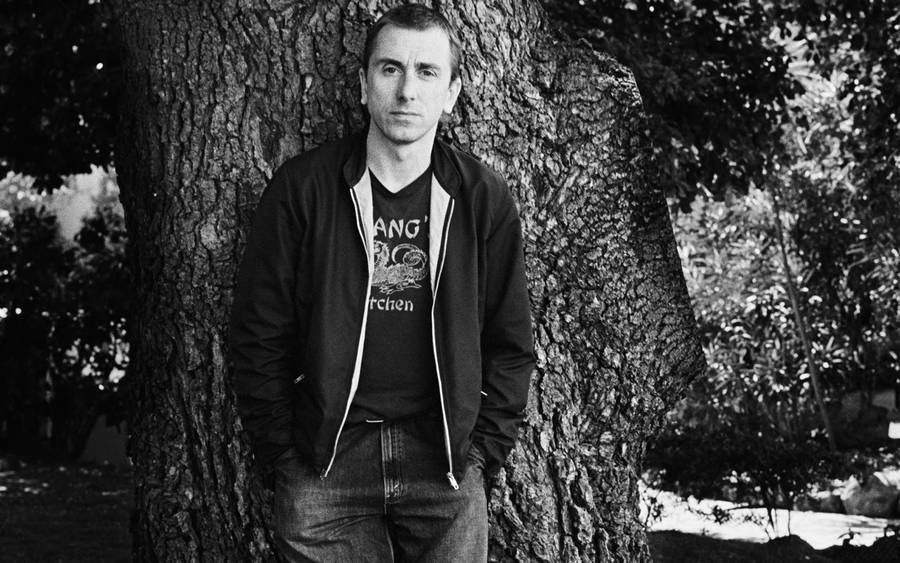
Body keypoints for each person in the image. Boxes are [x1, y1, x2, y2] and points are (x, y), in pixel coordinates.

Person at [230, 4, 534, 561]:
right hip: (326, 463)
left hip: (441, 465)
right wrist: (283, 450)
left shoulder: (481, 199)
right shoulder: (305, 190)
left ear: (452, 92)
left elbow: (510, 343)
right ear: (364, 84)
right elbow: (258, 332)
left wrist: (481, 454)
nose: (407, 91)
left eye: (427, 72)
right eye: (390, 69)